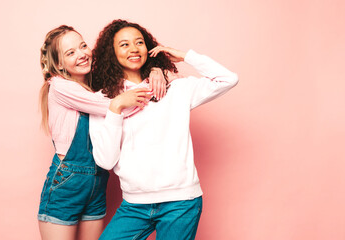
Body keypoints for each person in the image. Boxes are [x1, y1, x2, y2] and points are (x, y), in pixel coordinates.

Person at [89, 19, 239, 240]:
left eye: (139, 42)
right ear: (111, 53)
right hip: (134, 204)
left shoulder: (176, 88)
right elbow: (105, 161)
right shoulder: (103, 100)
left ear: (148, 48)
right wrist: (116, 107)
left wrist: (185, 56)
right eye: (124, 44)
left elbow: (228, 79)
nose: (133, 49)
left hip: (181, 202)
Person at [37, 25, 167, 240]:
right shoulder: (60, 86)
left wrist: (155, 70)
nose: (82, 54)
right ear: (59, 64)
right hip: (68, 181)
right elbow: (115, 106)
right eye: (70, 53)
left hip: (98, 180)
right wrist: (148, 90)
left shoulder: (96, 83)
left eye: (83, 46)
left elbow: (129, 74)